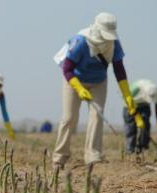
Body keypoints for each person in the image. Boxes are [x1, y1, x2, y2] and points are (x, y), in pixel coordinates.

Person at [52, 12, 144, 167]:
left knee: (97, 116)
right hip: (74, 81)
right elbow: (67, 68)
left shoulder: (114, 43)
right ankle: (59, 158)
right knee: (69, 118)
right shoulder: (80, 41)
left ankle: (92, 156)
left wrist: (127, 96)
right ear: (96, 29)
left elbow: (119, 70)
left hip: (98, 82)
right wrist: (79, 88)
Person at [123, 79, 157, 154]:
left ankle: (143, 148)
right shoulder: (135, 89)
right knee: (131, 127)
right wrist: (137, 117)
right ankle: (130, 150)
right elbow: (127, 100)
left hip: (144, 106)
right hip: (129, 105)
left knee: (145, 124)